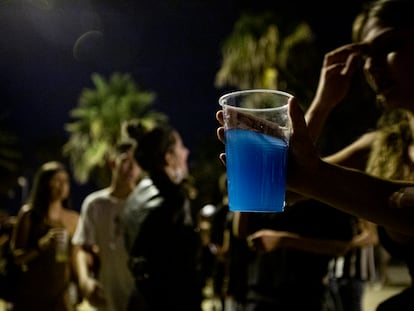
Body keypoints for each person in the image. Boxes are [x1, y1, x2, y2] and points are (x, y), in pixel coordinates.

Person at [217, 0, 414, 308]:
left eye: (388, 46)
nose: (372, 67)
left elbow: (308, 179)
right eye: (365, 55)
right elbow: (288, 186)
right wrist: (324, 100)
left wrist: (315, 178)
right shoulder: (383, 147)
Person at [123, 120, 203, 311]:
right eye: (181, 147)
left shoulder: (137, 194)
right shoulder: (174, 200)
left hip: (140, 299)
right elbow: (182, 268)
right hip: (168, 301)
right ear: (169, 158)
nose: (186, 153)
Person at [72, 140, 141, 311]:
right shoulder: (95, 204)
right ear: (112, 162)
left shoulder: (144, 203)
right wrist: (84, 279)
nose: (132, 167)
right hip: (105, 296)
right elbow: (82, 247)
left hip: (139, 299)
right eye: (126, 161)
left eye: (137, 162)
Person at [10, 161, 79, 311]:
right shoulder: (29, 215)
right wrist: (40, 246)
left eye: (66, 181)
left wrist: (77, 288)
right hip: (31, 295)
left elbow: (74, 259)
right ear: (44, 183)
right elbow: (17, 257)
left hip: (60, 296)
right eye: (57, 180)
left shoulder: (73, 219)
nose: (62, 185)